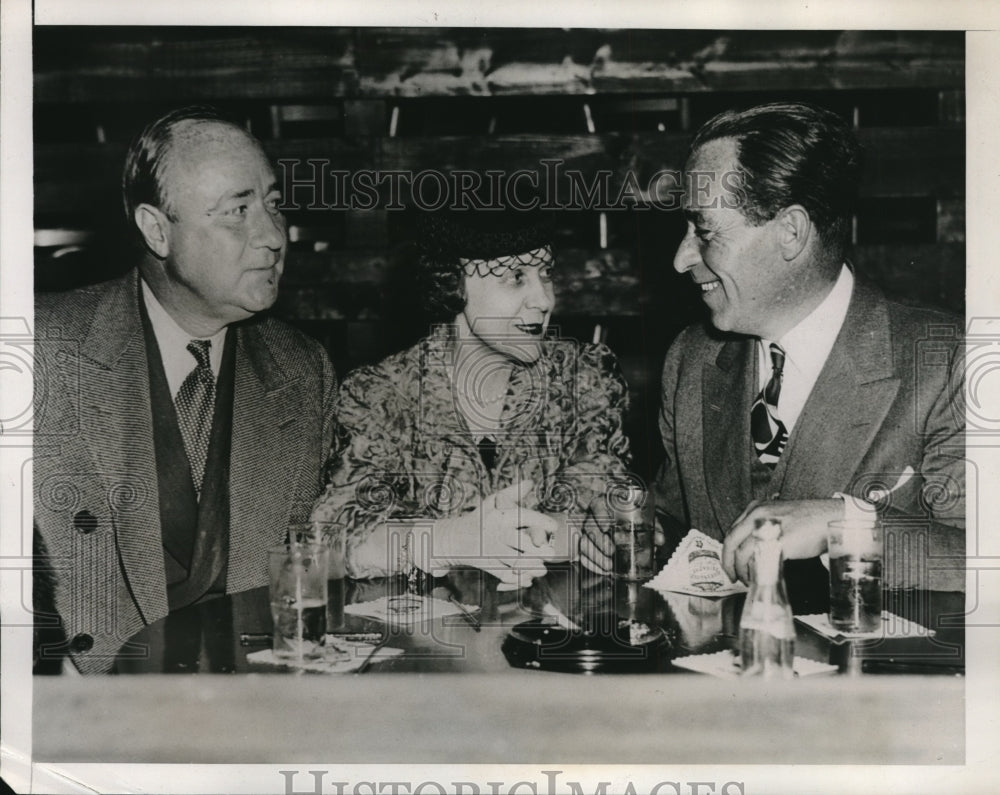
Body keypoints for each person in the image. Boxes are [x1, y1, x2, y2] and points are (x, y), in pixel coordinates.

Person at [33, 107, 337, 673]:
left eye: (273, 203)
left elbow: (310, 564)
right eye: (237, 211)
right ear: (156, 229)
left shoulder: (303, 372)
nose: (274, 235)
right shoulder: (42, 351)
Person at [656, 102, 964, 611]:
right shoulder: (691, 358)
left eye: (704, 231)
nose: (681, 257)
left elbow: (981, 558)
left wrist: (843, 524)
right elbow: (672, 521)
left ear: (791, 233)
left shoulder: (947, 362)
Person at [310, 208, 632, 588]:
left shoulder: (581, 380)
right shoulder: (382, 395)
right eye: (515, 278)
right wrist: (444, 541)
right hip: (428, 642)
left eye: (545, 273)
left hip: (551, 632)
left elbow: (608, 503)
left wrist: (585, 532)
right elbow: (326, 547)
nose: (543, 299)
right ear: (453, 284)